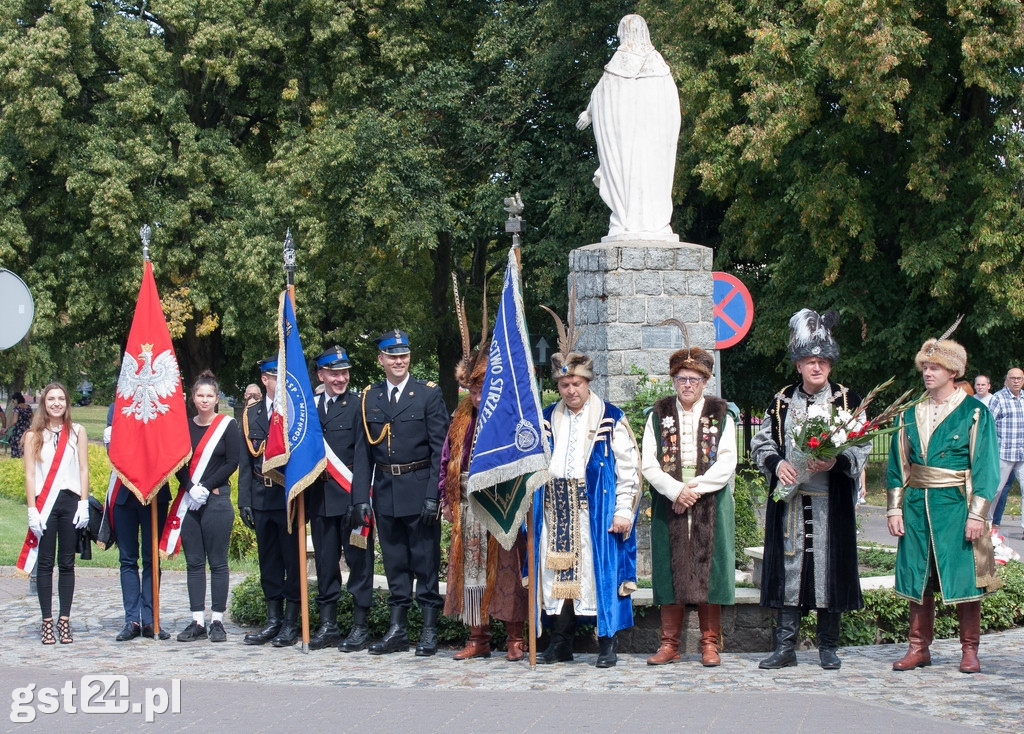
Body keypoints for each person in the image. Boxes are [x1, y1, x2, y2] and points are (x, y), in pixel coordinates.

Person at [750, 308, 869, 670]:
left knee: (828, 570)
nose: (816, 367)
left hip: (831, 504)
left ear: (830, 365)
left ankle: (827, 647)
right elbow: (761, 444)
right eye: (808, 361)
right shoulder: (781, 400)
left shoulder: (849, 401)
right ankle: (785, 647)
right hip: (791, 502)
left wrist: (837, 461)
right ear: (798, 365)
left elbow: (862, 445)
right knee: (789, 572)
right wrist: (778, 464)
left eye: (822, 361)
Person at [531, 305, 641, 668]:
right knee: (558, 580)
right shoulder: (547, 417)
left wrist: (624, 509)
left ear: (588, 383)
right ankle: (560, 642)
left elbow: (629, 469)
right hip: (555, 511)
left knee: (599, 577)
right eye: (564, 384)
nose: (570, 390)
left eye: (576, 384)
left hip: (594, 509)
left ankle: (607, 645)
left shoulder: (610, 417)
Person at [887, 329, 1000, 673]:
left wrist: (977, 514)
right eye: (925, 366)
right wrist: (893, 507)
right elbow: (898, 464)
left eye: (935, 367)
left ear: (953, 372)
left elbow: (986, 467)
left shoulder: (974, 412)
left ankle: (970, 650)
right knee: (917, 578)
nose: (927, 372)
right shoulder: (909, 413)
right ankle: (918, 648)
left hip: (957, 505)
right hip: (917, 506)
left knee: (965, 577)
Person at [641, 328, 737, 666]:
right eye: (682, 378)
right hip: (671, 503)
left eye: (694, 379)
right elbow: (648, 463)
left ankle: (710, 643)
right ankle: (670, 643)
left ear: (704, 382)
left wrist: (692, 490)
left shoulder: (720, 414)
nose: (687, 385)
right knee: (671, 570)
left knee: (709, 570)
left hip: (709, 501)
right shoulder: (658, 416)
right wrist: (674, 490)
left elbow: (727, 461)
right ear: (673, 380)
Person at [351, 330, 449, 655]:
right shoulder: (370, 398)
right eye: (392, 356)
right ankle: (397, 630)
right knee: (394, 564)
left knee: (425, 563)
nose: (398, 361)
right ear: (381, 359)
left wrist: (435, 494)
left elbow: (440, 450)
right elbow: (363, 454)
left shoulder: (428, 395)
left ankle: (429, 631)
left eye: (403, 355)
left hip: (420, 490)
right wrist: (360, 499)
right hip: (385, 492)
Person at [441, 305, 528, 661]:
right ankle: (478, 637)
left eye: (483, 390)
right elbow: (446, 459)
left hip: (501, 502)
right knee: (470, 570)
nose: (477, 398)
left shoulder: (509, 415)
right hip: (466, 505)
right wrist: (446, 499)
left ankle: (514, 639)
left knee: (506, 572)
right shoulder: (461, 416)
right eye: (473, 391)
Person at [576, 14, 680, 241]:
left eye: (620, 31)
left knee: (629, 174)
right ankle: (654, 224)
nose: (617, 36)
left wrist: (589, 113)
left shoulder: (621, 62)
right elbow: (671, 105)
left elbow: (602, 92)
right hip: (652, 140)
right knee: (649, 175)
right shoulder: (660, 66)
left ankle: (628, 221)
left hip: (634, 140)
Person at [306, 346, 375, 652]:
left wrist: (359, 498)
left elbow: (363, 455)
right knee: (324, 563)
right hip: (320, 500)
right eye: (334, 373)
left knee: (359, 563)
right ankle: (328, 625)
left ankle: (360, 627)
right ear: (321, 375)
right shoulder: (309, 407)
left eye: (344, 372)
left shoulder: (358, 404)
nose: (340, 378)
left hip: (350, 497)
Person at [237, 357, 302, 646]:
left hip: (287, 498)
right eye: (277, 377)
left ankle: (290, 622)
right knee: (269, 562)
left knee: (292, 561)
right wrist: (244, 500)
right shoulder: (251, 413)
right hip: (262, 497)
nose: (281, 383)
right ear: (265, 379)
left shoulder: (295, 412)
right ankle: (273, 620)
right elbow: (245, 459)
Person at [171, 371, 239, 643]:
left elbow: (232, 462)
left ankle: (217, 621)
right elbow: (177, 463)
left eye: (209, 395)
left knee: (218, 563)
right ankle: (197, 620)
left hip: (217, 500)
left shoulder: (228, 426)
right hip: (190, 502)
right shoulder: (184, 427)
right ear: (192, 397)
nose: (204, 400)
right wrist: (190, 488)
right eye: (200, 395)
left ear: (216, 398)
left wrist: (205, 485)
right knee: (194, 563)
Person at [22, 383, 90, 644]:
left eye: (61, 398)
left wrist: (84, 502)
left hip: (70, 502)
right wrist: (31, 509)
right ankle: (47, 622)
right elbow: (29, 474)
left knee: (67, 564)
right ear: (44, 403)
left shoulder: (78, 432)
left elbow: (83, 468)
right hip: (45, 504)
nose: (57, 403)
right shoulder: (33, 435)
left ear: (67, 403)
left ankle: (65, 620)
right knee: (45, 563)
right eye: (51, 399)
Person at [108, 403, 172, 642]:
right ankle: (131, 619)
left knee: (151, 559)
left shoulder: (161, 406)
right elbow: (113, 447)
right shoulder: (117, 407)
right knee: (127, 559)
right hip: (125, 494)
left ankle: (150, 619)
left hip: (155, 493)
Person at [986, 367, 1024, 536]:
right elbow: (988, 425)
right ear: (1007, 380)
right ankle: (985, 522)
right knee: (996, 490)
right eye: (1013, 378)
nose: (1016, 381)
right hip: (1004, 452)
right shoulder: (998, 398)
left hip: (1022, 453)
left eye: (1019, 378)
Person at [9, 391, 32, 459]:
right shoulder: (28, 408)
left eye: (13, 401)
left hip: (18, 432)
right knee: (26, 449)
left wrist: (7, 427)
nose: (13, 402)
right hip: (27, 430)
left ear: (16, 400)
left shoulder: (16, 409)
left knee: (17, 448)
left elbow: (14, 421)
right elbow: (32, 419)